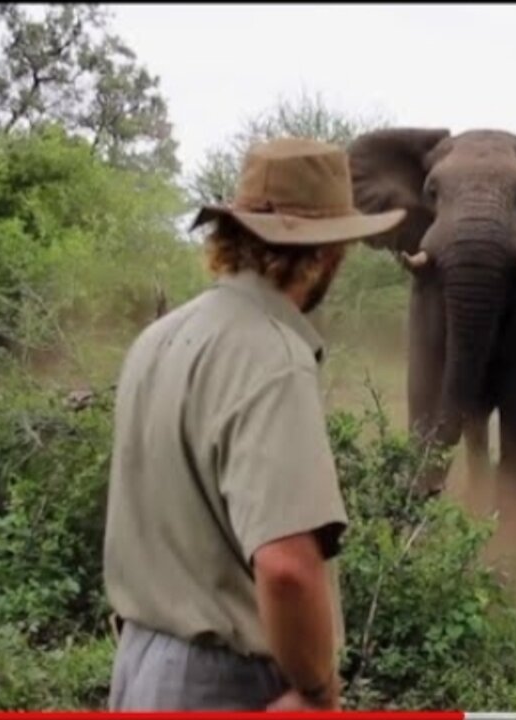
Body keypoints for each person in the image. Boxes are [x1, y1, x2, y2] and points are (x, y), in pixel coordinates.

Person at [102, 137, 406, 710]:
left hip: (139, 664)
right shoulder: (272, 355)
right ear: (326, 253)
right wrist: (316, 691)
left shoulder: (159, 339)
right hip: (228, 683)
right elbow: (287, 566)